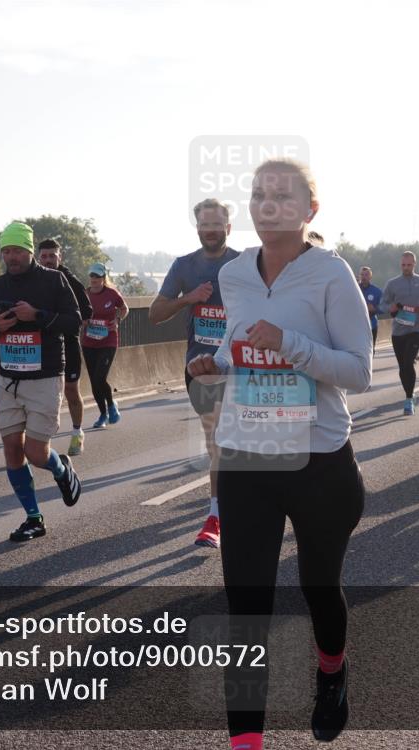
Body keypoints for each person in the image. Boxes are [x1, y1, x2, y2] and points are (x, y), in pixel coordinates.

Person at [187, 158, 371, 749]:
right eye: (259, 195)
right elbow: (235, 337)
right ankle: (247, 743)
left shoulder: (331, 274)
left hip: (319, 460)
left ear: (309, 210)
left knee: (321, 589)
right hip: (248, 458)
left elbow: (359, 371)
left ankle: (331, 670)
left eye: (283, 196)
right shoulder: (236, 274)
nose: (269, 205)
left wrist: (290, 344)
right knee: (246, 613)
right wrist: (213, 361)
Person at [0, 221, 83, 542]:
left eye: (17, 250)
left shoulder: (54, 280)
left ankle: (61, 468)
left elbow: (74, 323)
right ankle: (34, 518)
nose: (11, 257)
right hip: (7, 380)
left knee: (35, 453)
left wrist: (38, 316)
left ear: (29, 251)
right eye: (6, 251)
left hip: (44, 379)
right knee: (11, 450)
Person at [149, 198, 240, 549]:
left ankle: (246, 502)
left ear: (228, 228)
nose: (211, 231)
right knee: (216, 440)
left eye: (217, 225)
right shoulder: (184, 266)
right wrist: (188, 299)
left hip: (242, 366)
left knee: (242, 443)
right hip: (200, 367)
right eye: (204, 225)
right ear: (197, 227)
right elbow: (156, 314)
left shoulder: (245, 264)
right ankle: (216, 515)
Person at [37, 238, 94, 456]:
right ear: (38, 257)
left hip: (68, 343)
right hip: (42, 345)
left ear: (60, 257)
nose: (49, 260)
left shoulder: (70, 280)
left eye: (53, 256)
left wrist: (70, 322)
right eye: (44, 256)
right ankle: (41, 439)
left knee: (71, 390)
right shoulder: (32, 280)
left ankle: (77, 432)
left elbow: (86, 313)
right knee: (42, 392)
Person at [382, 251, 419, 414]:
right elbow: (382, 304)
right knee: (403, 367)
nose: (406, 268)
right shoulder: (392, 283)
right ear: (400, 265)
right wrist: (391, 308)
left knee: (408, 363)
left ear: (414, 264)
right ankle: (409, 394)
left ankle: (409, 399)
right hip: (398, 331)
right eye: (403, 265)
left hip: (416, 329)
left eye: (409, 265)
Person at [82, 263, 128, 428]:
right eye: (92, 276)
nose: (94, 279)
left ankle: (111, 405)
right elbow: (77, 312)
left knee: (100, 377)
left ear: (103, 278)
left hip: (108, 341)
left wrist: (117, 320)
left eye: (97, 276)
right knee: (94, 382)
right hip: (89, 342)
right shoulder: (84, 294)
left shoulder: (111, 294)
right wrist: (83, 320)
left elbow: (124, 309)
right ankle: (103, 414)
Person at [358, 266, 383, 353]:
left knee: (370, 350)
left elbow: (384, 308)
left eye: (366, 274)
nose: (364, 277)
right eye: (362, 274)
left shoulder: (377, 291)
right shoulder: (354, 289)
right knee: (358, 350)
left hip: (371, 325)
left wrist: (374, 309)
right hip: (356, 326)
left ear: (370, 276)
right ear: (359, 276)